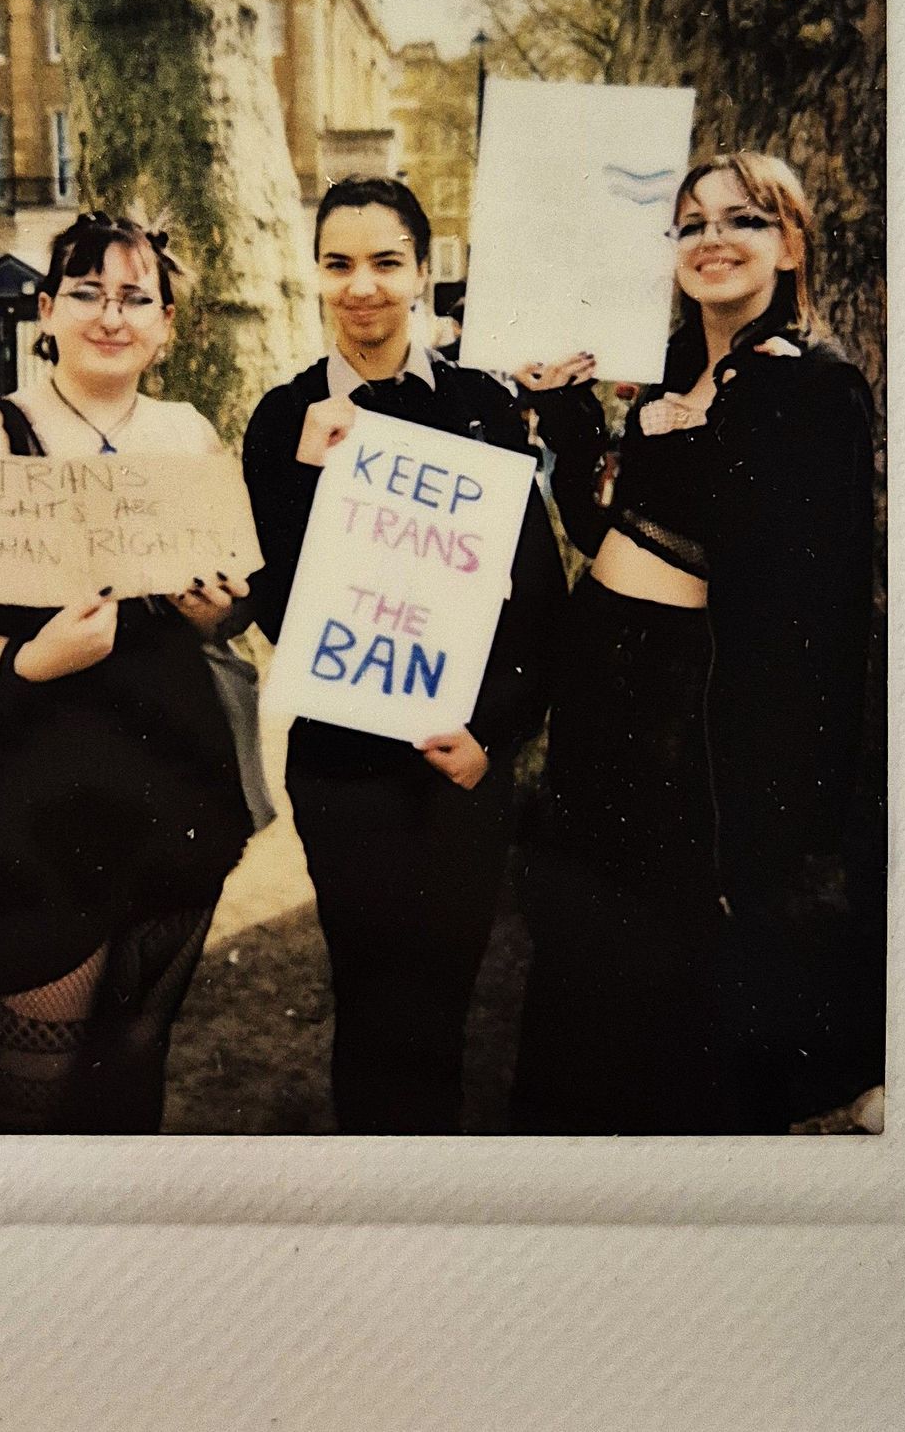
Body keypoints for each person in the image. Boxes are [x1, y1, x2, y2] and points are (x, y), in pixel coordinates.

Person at [509, 152, 877, 1134]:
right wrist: (574, 410)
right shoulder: (672, 370)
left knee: (673, 969)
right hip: (602, 689)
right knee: (586, 950)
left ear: (789, 244)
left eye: (744, 219)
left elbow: (802, 603)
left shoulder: (814, 387)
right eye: (691, 222)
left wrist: (692, 424)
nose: (713, 237)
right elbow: (607, 531)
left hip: (690, 711)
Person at [0, 212, 255, 1133]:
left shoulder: (189, 435)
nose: (110, 316)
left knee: (130, 1077)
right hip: (19, 810)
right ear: (46, 311)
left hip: (172, 792)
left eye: (134, 297)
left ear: (166, 323)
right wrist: (22, 657)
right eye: (86, 293)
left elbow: (232, 606)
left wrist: (220, 610)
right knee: (20, 1119)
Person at [242, 177, 568, 1134]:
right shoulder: (282, 417)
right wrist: (306, 476)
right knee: (372, 1002)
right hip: (344, 768)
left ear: (425, 272)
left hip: (460, 766)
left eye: (386, 261)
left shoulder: (479, 407)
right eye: (339, 263)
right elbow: (276, 605)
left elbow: (538, 599)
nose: (363, 287)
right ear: (316, 275)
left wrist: (492, 734)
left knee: (443, 1005)